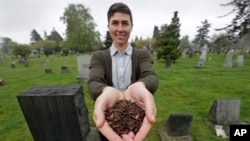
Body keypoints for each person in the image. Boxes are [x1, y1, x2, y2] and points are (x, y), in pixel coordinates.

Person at [87, 2, 159, 141]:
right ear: (108, 27)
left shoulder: (142, 55)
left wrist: (141, 86)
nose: (120, 29)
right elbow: (94, 81)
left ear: (131, 26)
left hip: (135, 123)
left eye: (125, 23)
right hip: (110, 118)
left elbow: (150, 76)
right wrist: (106, 91)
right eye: (115, 23)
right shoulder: (99, 56)